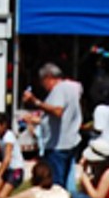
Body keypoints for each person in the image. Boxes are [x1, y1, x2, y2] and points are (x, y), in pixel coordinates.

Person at [22, 62, 83, 190]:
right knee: (68, 181)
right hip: (70, 141)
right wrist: (37, 120)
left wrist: (35, 101)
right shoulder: (73, 87)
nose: (43, 86)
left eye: (42, 81)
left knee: (56, 183)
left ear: (48, 77)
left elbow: (57, 111)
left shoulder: (59, 89)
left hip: (57, 145)